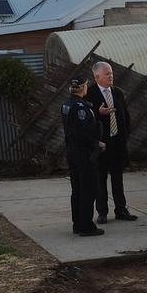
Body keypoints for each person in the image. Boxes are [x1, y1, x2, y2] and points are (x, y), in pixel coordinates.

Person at [86, 61, 138, 224]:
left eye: (111, 73)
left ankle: (121, 209)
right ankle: (102, 212)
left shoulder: (117, 93)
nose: (111, 76)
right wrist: (97, 112)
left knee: (118, 178)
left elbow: (125, 116)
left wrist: (125, 136)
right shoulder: (90, 94)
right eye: (107, 74)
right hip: (102, 145)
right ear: (97, 77)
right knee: (100, 179)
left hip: (118, 143)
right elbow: (86, 120)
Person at [61, 75, 105, 237]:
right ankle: (86, 226)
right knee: (88, 190)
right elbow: (82, 132)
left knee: (77, 189)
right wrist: (97, 143)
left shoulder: (66, 104)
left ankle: (77, 224)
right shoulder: (80, 107)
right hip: (83, 153)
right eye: (86, 85)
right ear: (83, 87)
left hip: (72, 152)